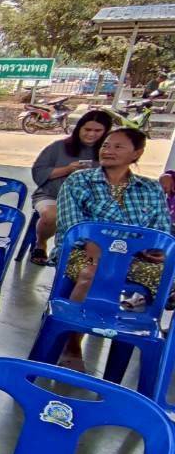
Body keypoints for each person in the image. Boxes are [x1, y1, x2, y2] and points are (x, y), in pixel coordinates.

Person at [52, 128, 171, 371]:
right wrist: (93, 243)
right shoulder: (80, 181)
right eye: (106, 145)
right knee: (91, 274)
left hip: (135, 258)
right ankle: (72, 342)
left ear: (136, 153)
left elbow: (160, 229)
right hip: (83, 251)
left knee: (167, 277)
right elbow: (71, 223)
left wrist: (156, 249)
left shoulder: (149, 189)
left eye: (118, 147)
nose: (108, 151)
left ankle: (147, 335)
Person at [28, 110, 112, 265]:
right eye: (87, 130)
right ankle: (41, 244)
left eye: (97, 131)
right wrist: (66, 169)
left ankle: (82, 255)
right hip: (51, 195)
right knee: (51, 216)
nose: (91, 134)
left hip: (90, 202)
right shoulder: (58, 147)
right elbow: (38, 172)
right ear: (79, 128)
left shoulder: (108, 153)